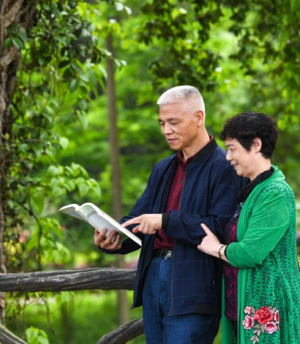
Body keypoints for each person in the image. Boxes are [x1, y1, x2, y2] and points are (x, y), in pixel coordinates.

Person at [94, 86, 243, 343]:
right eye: (162, 123)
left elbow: (220, 228)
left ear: (199, 117)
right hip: (153, 276)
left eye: (174, 122)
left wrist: (166, 220)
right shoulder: (163, 168)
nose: (166, 130)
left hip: (195, 283)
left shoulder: (225, 166)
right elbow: (139, 220)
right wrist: (113, 237)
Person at [198, 112, 300, 344]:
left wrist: (215, 248)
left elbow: (250, 253)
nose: (228, 157)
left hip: (268, 307)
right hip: (243, 308)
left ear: (256, 144)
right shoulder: (252, 190)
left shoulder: (275, 194)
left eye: (232, 149)